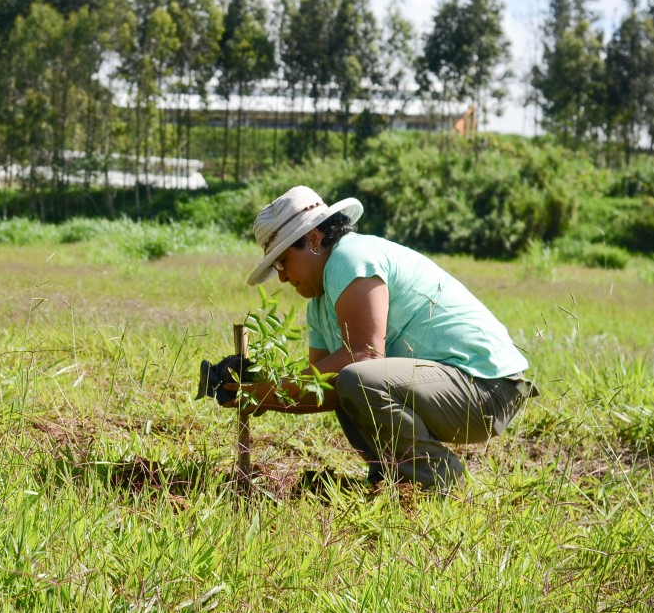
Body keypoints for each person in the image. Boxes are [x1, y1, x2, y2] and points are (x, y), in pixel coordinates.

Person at [221, 185, 535, 490]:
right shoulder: (319, 305)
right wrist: (258, 391)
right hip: (455, 390)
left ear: (314, 239)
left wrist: (266, 392)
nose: (283, 276)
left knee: (356, 375)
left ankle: (440, 481)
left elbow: (365, 356)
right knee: (344, 381)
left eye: (282, 261)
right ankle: (392, 478)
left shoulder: (351, 257)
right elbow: (322, 390)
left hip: (487, 388)